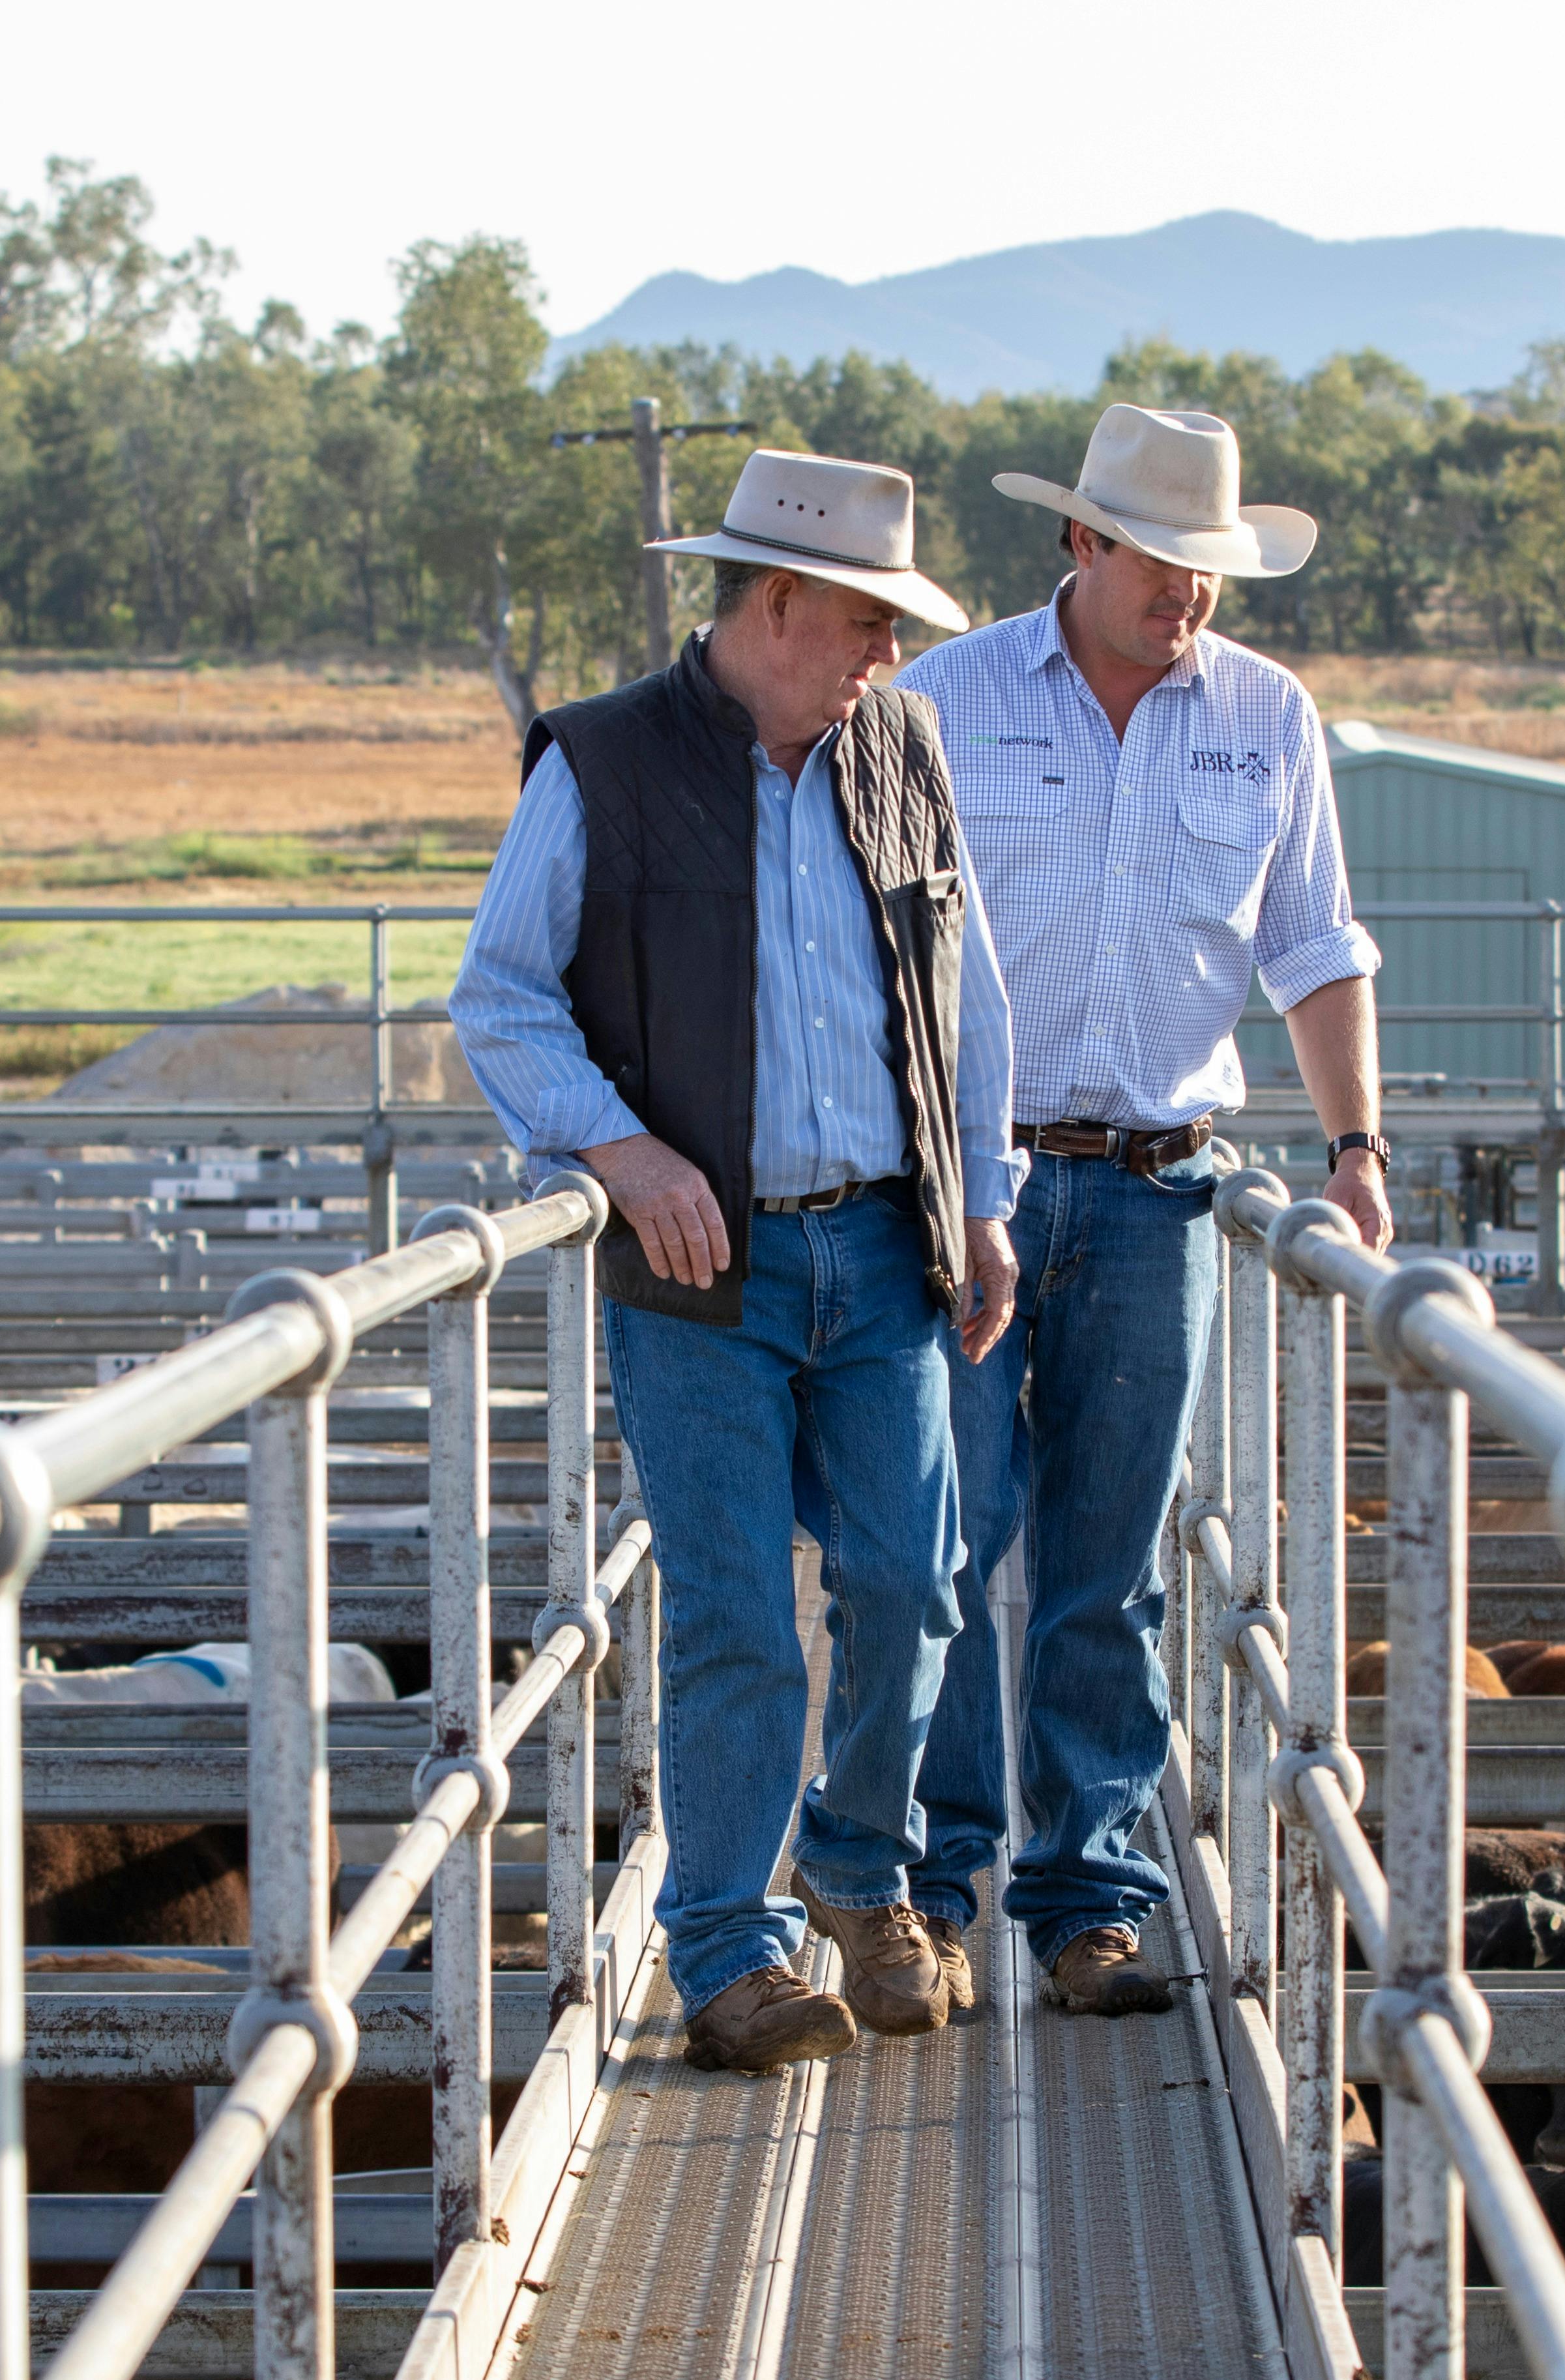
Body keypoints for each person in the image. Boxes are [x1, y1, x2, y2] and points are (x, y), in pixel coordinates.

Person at [448, 448, 1024, 2074]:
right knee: (732, 1614)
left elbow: (961, 997)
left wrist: (982, 1200)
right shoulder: (605, 763)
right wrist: (618, 1150)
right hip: (705, 1269)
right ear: (774, 604)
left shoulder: (897, 747)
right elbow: (500, 994)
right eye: (865, 623)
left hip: (883, 1247)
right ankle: (727, 1945)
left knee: (917, 1584)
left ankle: (857, 1876)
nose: (886, 658)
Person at [892, 404, 1387, 2016]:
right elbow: (875, 945)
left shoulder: (1265, 717)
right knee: (942, 1539)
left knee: (1117, 1555)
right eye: (1167, 561)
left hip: (1164, 1183)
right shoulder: (940, 700)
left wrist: (1357, 1145)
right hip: (971, 1181)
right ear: (1083, 544)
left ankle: (1091, 1893)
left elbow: (1313, 945)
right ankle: (936, 1885)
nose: (1192, 595)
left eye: (1213, 570)